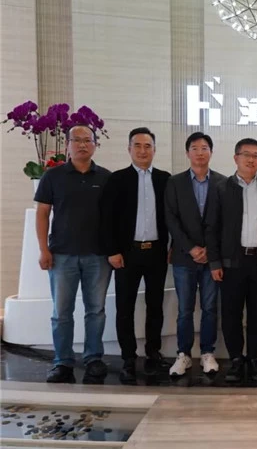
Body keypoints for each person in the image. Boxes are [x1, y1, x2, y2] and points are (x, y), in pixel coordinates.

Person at [35, 125, 112, 384]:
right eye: (76, 140)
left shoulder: (106, 177)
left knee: (96, 310)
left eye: (87, 140)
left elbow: (114, 218)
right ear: (67, 144)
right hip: (62, 255)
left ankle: (93, 359)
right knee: (61, 312)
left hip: (98, 256)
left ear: (95, 145)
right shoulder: (53, 176)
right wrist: (43, 249)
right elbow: (42, 214)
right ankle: (63, 362)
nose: (82, 144)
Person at [100, 127, 171, 384]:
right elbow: (106, 218)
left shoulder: (165, 179)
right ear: (129, 149)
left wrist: (172, 246)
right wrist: (112, 251)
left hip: (156, 252)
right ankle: (128, 358)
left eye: (147, 146)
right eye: (137, 146)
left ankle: (153, 352)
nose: (142, 151)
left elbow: (173, 216)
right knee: (125, 307)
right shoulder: (117, 179)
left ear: (154, 149)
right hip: (126, 254)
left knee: (155, 306)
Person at [205, 138, 257, 384]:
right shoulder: (221, 188)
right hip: (231, 264)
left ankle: (255, 359)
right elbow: (211, 228)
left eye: (256, 155)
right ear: (236, 158)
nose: (251, 159)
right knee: (231, 314)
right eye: (246, 154)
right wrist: (214, 262)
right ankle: (236, 359)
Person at [164, 132, 226, 377]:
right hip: (184, 257)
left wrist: (210, 250)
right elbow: (171, 219)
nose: (200, 152)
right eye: (195, 148)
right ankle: (184, 354)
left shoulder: (222, 183)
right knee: (185, 309)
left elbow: (226, 222)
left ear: (211, 152)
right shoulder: (175, 182)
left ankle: (208, 352)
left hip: (212, 258)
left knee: (210, 307)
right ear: (187, 152)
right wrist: (191, 248)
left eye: (204, 148)